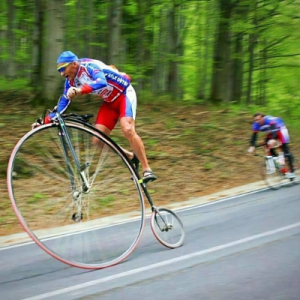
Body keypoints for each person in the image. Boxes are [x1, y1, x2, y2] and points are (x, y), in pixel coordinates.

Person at [36, 50, 157, 184]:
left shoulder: (89, 67)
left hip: (124, 95)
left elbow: (102, 82)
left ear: (74, 64)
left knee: (127, 129)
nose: (62, 73)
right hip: (110, 102)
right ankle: (129, 156)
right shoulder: (70, 81)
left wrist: (80, 90)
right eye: (59, 70)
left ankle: (147, 169)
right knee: (98, 140)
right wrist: (44, 121)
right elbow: (62, 105)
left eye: (63, 69)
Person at [248, 112, 295, 178]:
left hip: (280, 130)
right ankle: (281, 168)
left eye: (259, 119)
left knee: (285, 149)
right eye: (256, 120)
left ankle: (292, 170)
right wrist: (252, 146)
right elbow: (254, 136)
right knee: (268, 147)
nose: (257, 121)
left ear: (263, 117)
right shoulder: (256, 124)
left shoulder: (268, 119)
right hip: (271, 132)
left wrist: (273, 139)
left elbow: (274, 130)